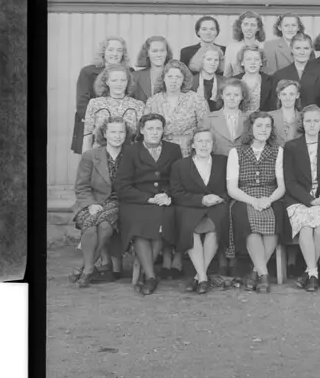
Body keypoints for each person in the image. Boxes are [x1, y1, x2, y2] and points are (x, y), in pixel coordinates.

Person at [116, 113, 181, 295]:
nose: (154, 132)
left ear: (163, 130)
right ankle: (151, 276)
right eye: (150, 128)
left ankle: (146, 274)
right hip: (136, 201)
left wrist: (167, 195)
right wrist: (147, 198)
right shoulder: (130, 151)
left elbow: (177, 179)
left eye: (158, 128)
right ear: (142, 130)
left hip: (163, 201)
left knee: (162, 222)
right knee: (139, 228)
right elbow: (122, 186)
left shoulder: (173, 150)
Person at [226, 111, 287, 293]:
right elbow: (232, 189)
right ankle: (264, 274)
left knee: (274, 220)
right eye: (259, 125)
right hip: (244, 197)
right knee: (250, 223)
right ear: (251, 128)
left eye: (268, 126)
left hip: (270, 196)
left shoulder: (278, 151)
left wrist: (269, 199)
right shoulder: (236, 152)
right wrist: (253, 200)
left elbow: (281, 186)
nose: (264, 130)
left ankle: (255, 273)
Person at [281, 105, 320, 292]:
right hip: (299, 199)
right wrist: (309, 200)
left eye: (316, 120)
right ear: (302, 123)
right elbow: (289, 181)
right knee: (306, 228)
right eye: (308, 121)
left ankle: (309, 272)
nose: (312, 124)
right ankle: (314, 272)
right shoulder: (291, 146)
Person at [170, 127, 230, 294]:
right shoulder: (180, 165)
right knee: (190, 228)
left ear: (213, 144)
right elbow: (176, 192)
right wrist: (201, 200)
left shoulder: (223, 162)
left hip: (217, 205)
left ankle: (199, 277)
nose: (204, 145)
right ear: (193, 145)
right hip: (190, 206)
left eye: (208, 141)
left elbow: (231, 186)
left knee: (215, 226)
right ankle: (203, 277)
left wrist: (218, 198)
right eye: (200, 141)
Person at [71, 116, 129, 287]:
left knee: (104, 226)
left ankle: (86, 269)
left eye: (121, 132)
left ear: (126, 134)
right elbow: (81, 186)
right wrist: (90, 204)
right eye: (113, 132)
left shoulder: (132, 154)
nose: (117, 136)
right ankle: (89, 268)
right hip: (93, 200)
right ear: (105, 133)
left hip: (119, 202)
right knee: (90, 224)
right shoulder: (91, 155)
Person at [71, 36, 130, 155]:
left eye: (119, 50)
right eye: (111, 49)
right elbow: (82, 104)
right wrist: (100, 126)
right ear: (103, 52)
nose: (115, 53)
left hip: (120, 131)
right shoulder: (88, 72)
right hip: (94, 130)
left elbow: (130, 100)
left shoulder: (129, 72)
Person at [143, 59, 209, 157]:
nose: (173, 80)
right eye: (170, 76)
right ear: (163, 78)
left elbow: (204, 128)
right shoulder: (153, 101)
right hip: (160, 153)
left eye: (178, 77)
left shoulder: (197, 100)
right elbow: (147, 131)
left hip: (189, 153)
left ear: (184, 79)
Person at [81, 64, 146, 153]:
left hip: (130, 157)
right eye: (114, 80)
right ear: (107, 82)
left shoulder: (138, 106)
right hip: (100, 156)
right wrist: (85, 162)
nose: (119, 84)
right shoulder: (95, 104)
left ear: (128, 82)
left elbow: (142, 138)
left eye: (123, 80)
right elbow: (88, 136)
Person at [207, 79, 246, 162]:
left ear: (242, 96)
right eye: (228, 94)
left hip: (243, 166)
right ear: (222, 95)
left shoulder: (249, 119)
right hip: (217, 164)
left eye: (236, 95)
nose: (232, 98)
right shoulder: (209, 118)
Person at [131, 35, 175, 102]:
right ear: (147, 53)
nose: (159, 55)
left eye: (162, 51)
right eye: (154, 51)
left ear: (167, 53)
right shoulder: (135, 76)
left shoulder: (177, 75)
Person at [223, 11, 266, 78]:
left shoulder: (265, 47)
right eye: (246, 24)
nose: (249, 28)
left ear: (258, 28)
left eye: (253, 25)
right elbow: (227, 75)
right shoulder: (231, 48)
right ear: (240, 26)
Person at [192, 45, 225, 113]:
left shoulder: (225, 82)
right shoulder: (191, 82)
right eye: (209, 59)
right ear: (201, 60)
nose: (213, 63)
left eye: (216, 60)